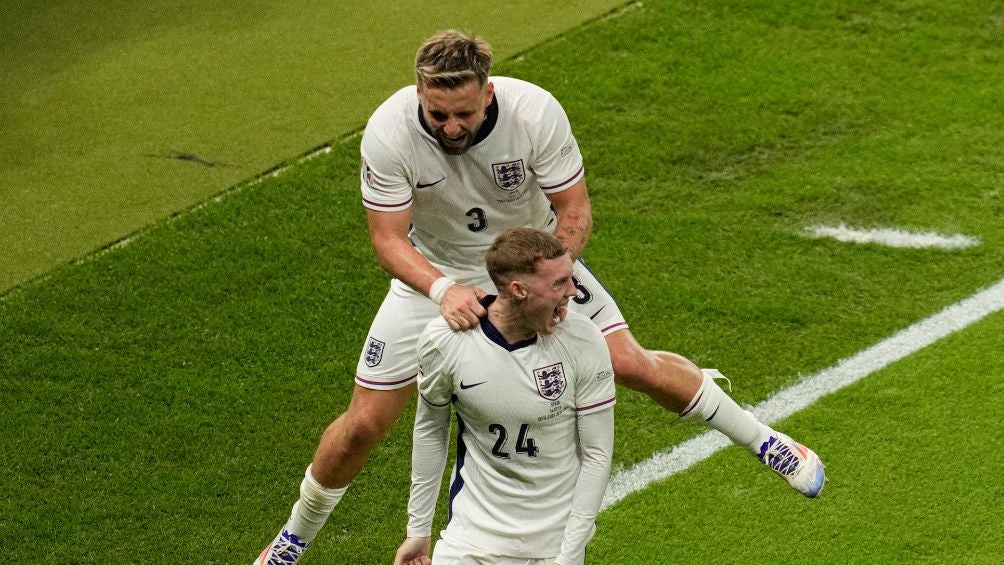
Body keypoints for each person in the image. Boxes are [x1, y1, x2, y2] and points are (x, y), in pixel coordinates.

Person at [255, 29, 825, 565]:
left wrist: (552, 284)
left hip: (534, 260)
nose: (451, 127)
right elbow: (387, 238)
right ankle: (291, 541)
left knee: (631, 363)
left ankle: (766, 441)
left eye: (464, 113)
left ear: (489, 92)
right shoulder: (389, 131)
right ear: (419, 95)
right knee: (362, 427)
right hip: (434, 276)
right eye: (438, 114)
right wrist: (443, 287)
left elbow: (574, 211)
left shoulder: (534, 114)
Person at [394, 227, 615, 565]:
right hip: (469, 540)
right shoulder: (446, 341)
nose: (573, 292)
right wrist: (418, 530)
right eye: (558, 283)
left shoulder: (582, 340)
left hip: (551, 547)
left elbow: (597, 455)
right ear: (518, 290)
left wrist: (569, 557)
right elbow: (429, 430)